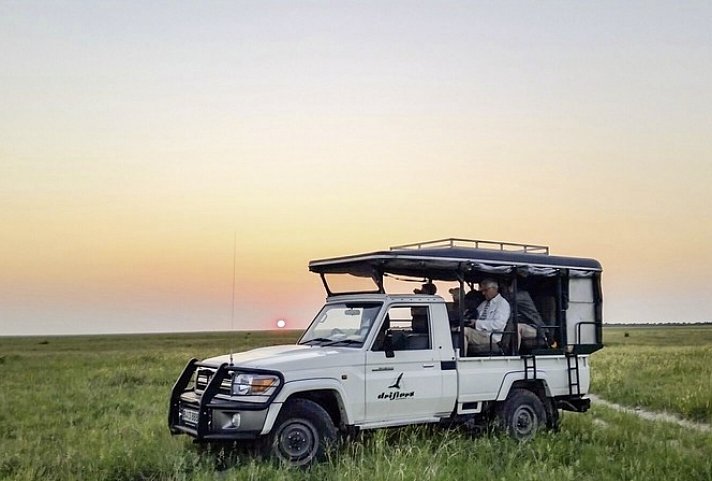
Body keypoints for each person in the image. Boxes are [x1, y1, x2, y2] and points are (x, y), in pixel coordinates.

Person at [463, 279, 510, 354]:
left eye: (485, 290)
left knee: (464, 331)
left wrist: (477, 324)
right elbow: (476, 314)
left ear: (494, 288)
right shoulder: (484, 303)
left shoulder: (502, 304)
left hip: (491, 337)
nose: (483, 293)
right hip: (480, 333)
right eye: (482, 291)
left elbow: (498, 324)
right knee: (458, 329)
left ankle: (461, 358)